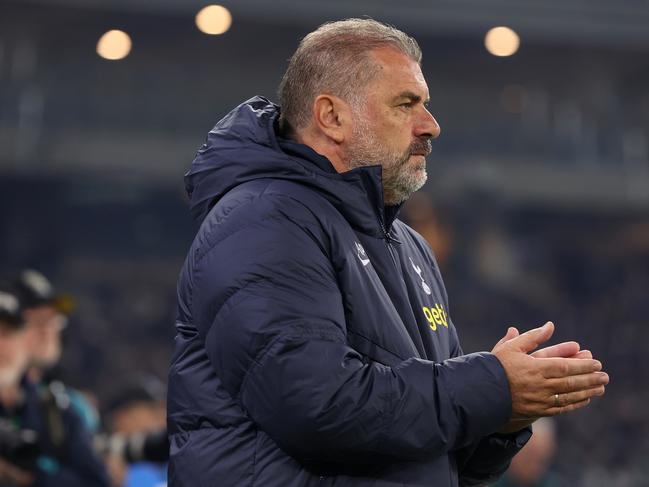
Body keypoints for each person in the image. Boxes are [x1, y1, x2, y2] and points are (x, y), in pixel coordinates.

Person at [167, 19, 609, 486]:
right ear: (331, 117)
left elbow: (434, 454)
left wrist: (503, 416)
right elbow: (316, 407)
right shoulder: (264, 219)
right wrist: (490, 384)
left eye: (427, 105)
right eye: (406, 105)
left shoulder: (409, 247)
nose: (431, 126)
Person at [0, 283, 109, 487]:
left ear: (22, 341)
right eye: (38, 322)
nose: (47, 331)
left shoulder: (58, 410)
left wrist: (28, 478)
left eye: (8, 333)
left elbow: (96, 481)